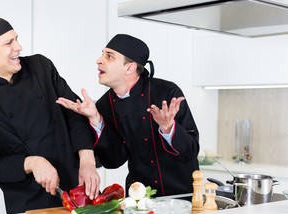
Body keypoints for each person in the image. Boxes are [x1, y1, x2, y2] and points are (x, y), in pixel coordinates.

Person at [0, 17, 100, 214]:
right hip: (30, 205)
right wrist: (31, 163)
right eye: (9, 43)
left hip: (78, 187)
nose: (19, 47)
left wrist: (87, 161)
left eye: (17, 39)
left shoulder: (41, 67)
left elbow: (75, 113)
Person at [56, 34, 199, 197]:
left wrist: (169, 128)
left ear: (130, 68)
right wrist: (96, 120)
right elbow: (113, 161)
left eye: (109, 56)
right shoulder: (104, 105)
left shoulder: (167, 93)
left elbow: (190, 151)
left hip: (182, 197)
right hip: (138, 199)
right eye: (102, 54)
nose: (99, 60)